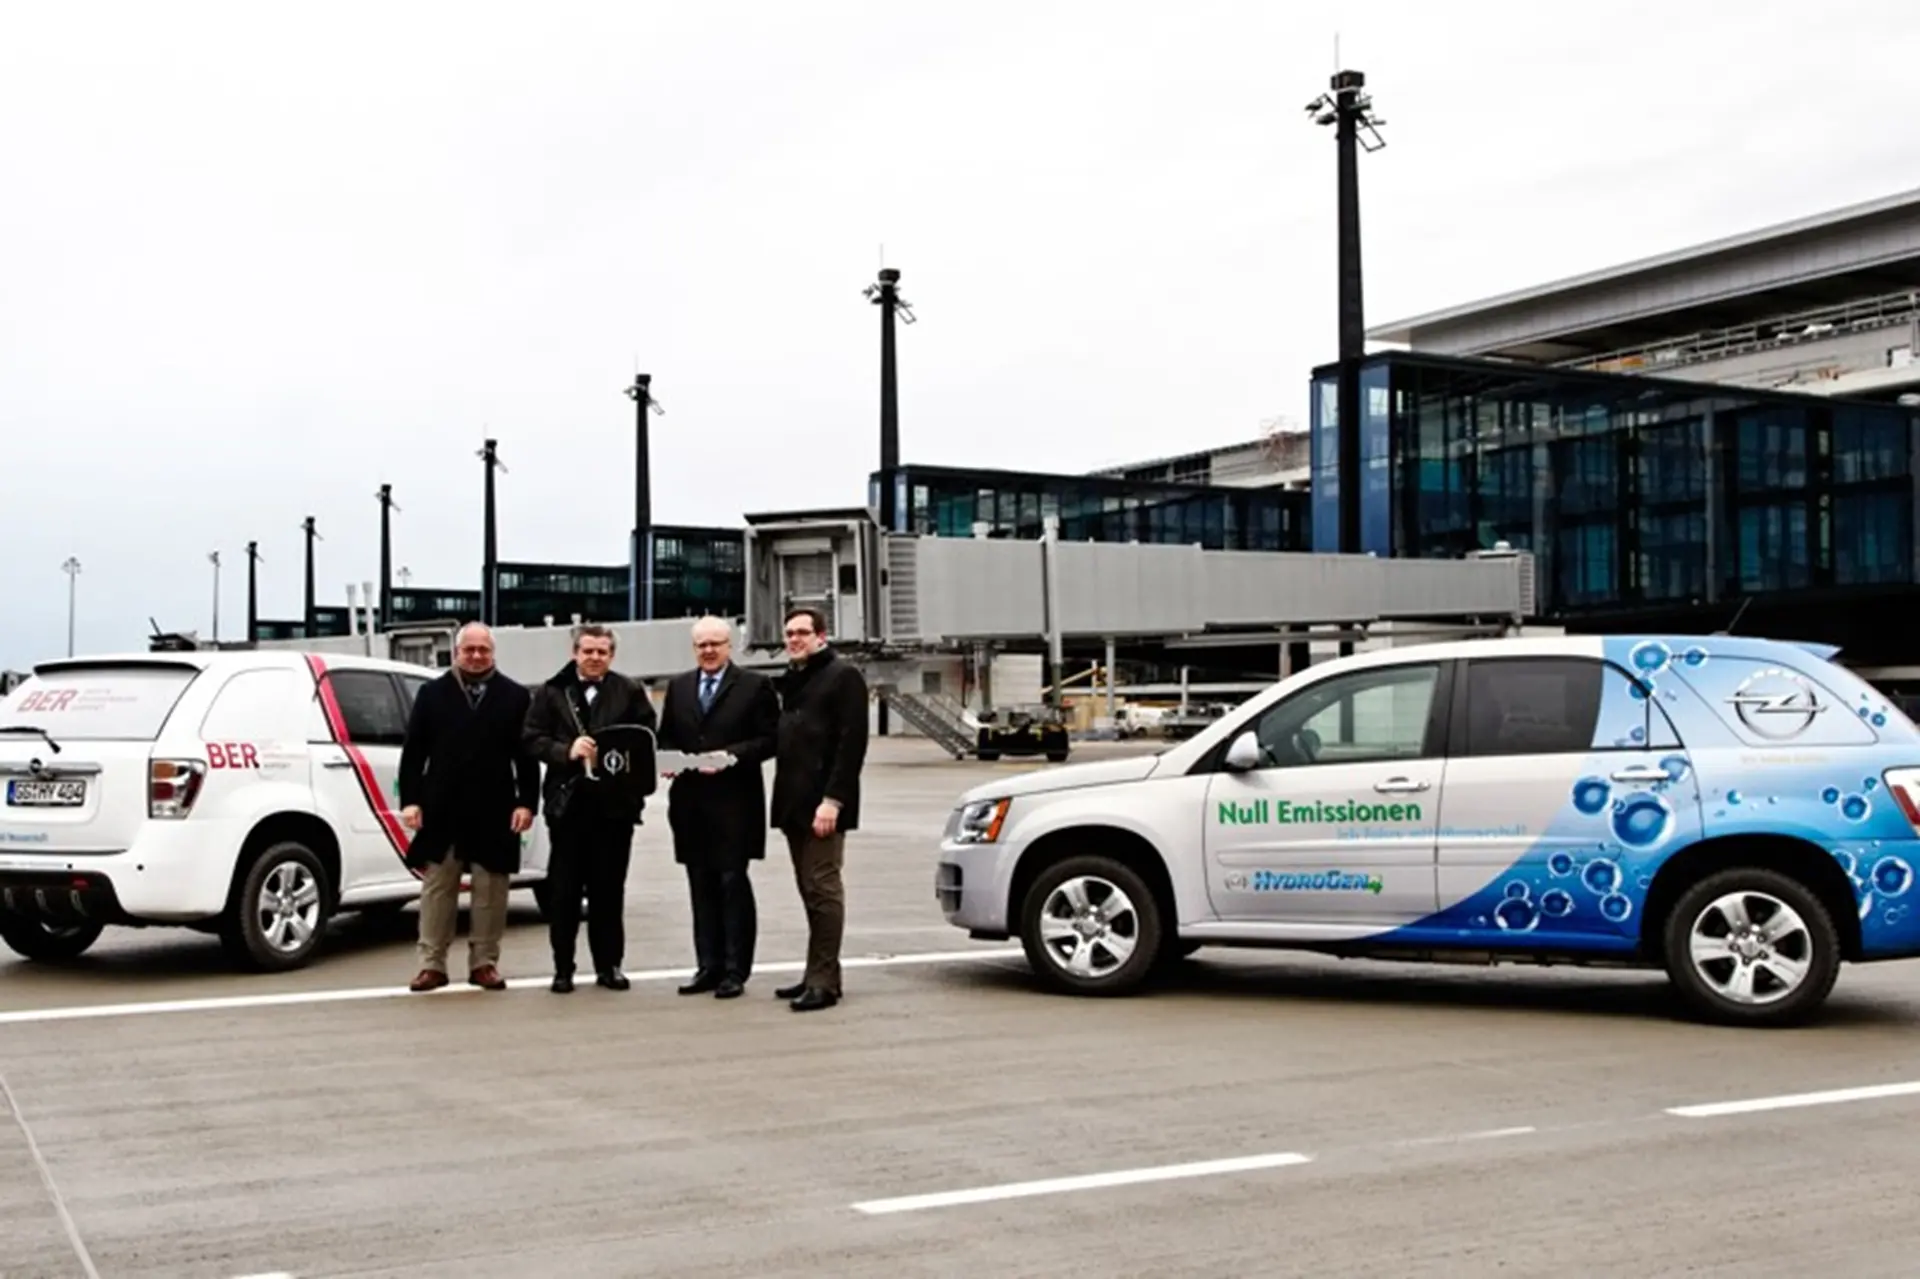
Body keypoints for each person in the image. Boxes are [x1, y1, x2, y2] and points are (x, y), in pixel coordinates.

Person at [397, 622, 539, 993]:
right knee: (437, 889)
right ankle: (431, 965)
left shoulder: (515, 697)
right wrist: (410, 800)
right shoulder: (432, 694)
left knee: (491, 891)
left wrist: (527, 803)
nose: (476, 656)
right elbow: (413, 753)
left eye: (484, 650)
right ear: (456, 652)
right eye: (469, 650)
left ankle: (484, 963)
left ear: (493, 653)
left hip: (495, 808)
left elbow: (526, 757)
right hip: (441, 808)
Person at [523, 624, 658, 993]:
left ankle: (609, 965)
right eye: (588, 651)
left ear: (611, 655)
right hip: (568, 807)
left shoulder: (629, 690)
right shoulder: (551, 692)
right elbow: (531, 739)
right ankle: (562, 968)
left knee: (609, 892)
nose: (595, 657)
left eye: (602, 652)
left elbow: (647, 739)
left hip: (615, 809)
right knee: (563, 893)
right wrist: (565, 751)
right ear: (575, 653)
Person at [657, 616, 780, 999]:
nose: (708, 651)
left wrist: (731, 756)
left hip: (734, 802)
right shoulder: (678, 688)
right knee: (700, 885)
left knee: (732, 883)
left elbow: (771, 739)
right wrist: (667, 764)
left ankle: (735, 969)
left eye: (716, 643)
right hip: (691, 804)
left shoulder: (754, 686)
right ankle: (707, 965)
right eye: (701, 645)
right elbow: (665, 741)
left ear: (730, 645)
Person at [769, 605, 869, 1012]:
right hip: (794, 804)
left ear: (821, 636)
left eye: (802, 633)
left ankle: (824, 982)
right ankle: (817, 972)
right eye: (789, 633)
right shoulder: (796, 678)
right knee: (809, 891)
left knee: (824, 889)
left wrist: (833, 801)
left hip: (824, 805)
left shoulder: (842, 676)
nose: (794, 639)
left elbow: (851, 744)